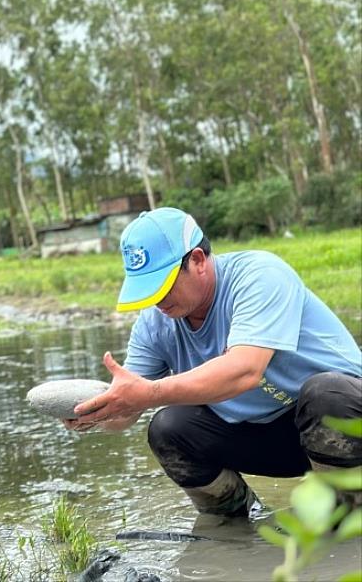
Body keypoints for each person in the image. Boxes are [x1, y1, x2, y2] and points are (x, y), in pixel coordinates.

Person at [64, 207, 362, 517]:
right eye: (148, 290)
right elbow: (125, 406)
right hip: (272, 439)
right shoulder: (154, 324)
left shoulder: (259, 275)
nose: (156, 301)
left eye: (163, 285)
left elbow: (244, 370)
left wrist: (151, 393)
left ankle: (349, 510)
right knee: (168, 428)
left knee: (326, 394)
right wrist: (97, 413)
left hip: (344, 424)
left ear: (197, 260)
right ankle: (232, 526)